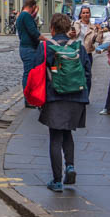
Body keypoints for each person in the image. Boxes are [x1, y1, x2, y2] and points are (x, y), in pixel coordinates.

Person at [41, 13, 92, 192]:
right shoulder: (79, 47)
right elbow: (87, 72)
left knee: (55, 137)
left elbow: (39, 73)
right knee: (67, 133)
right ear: (69, 28)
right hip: (77, 97)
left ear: (52, 29)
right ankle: (70, 166)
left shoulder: (47, 47)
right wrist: (85, 96)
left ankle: (56, 181)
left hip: (55, 96)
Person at [16, 0, 47, 88]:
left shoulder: (22, 15)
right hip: (29, 49)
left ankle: (28, 97)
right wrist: (48, 40)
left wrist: (35, 12)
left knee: (28, 73)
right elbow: (34, 32)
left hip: (25, 48)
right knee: (29, 74)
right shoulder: (26, 16)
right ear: (33, 6)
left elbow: (29, 20)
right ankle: (28, 98)